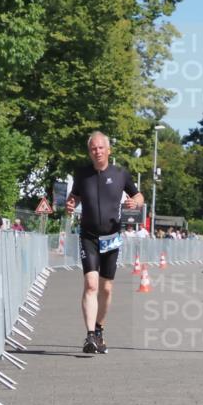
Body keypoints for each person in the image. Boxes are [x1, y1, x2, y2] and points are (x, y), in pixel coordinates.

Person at [65, 131, 144, 354]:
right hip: (88, 235)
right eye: (93, 148)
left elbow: (139, 196)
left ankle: (99, 330)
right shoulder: (82, 174)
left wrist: (134, 202)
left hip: (111, 236)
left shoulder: (120, 174)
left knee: (106, 288)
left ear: (108, 150)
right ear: (89, 152)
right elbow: (74, 197)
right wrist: (70, 204)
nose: (97, 151)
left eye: (101, 148)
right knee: (91, 284)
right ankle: (90, 335)